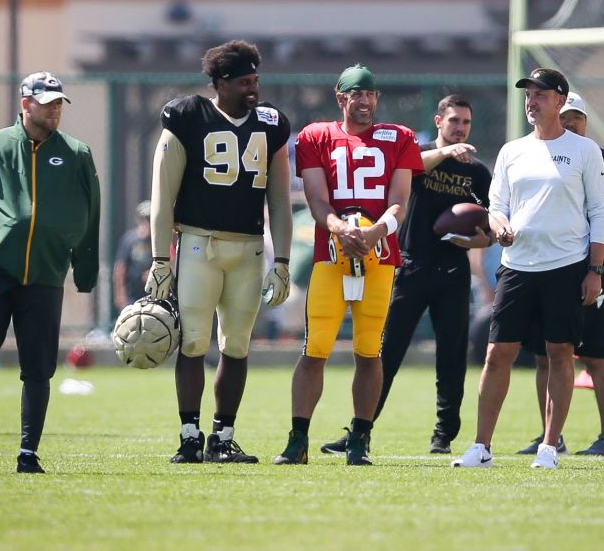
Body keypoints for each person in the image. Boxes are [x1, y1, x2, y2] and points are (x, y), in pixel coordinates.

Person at [0, 72, 101, 474]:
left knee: (38, 367)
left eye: (59, 102)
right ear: (25, 103)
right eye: (48, 102)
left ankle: (28, 454)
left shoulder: (77, 153)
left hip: (46, 274)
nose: (55, 109)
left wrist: (84, 270)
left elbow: (90, 213)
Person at [451, 68, 604, 471]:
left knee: (560, 353)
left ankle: (550, 447)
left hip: (566, 267)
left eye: (540, 95)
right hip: (517, 267)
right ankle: (481, 447)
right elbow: (498, 205)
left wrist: (595, 269)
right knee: (496, 354)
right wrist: (499, 226)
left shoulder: (584, 151)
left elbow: (598, 212)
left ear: (560, 100)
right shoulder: (511, 151)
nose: (531, 101)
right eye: (528, 95)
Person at [318, 94, 492, 456]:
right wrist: (445, 153)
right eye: (454, 121)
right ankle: (359, 433)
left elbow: (487, 227)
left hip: (452, 272)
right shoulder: (417, 152)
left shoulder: (477, 171)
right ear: (439, 120)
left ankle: (444, 435)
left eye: (466, 122)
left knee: (452, 357)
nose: (460, 128)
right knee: (386, 353)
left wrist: (477, 239)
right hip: (410, 267)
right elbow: (413, 168)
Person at [145, 40, 293, 464]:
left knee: (238, 345)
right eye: (245, 81)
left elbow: (279, 200)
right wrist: (159, 259)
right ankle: (189, 437)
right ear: (220, 83)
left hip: (247, 248)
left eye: (256, 79)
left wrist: (280, 260)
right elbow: (162, 193)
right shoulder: (188, 115)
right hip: (197, 243)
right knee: (193, 341)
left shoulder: (270, 123)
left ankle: (223, 438)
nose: (254, 88)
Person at [272, 64, 423, 466]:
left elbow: (400, 201)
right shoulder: (316, 136)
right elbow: (318, 199)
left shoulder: (399, 137)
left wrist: (377, 232)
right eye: (357, 94)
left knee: (369, 350)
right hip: (331, 255)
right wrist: (339, 227)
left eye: (371, 94)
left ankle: (360, 437)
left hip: (379, 255)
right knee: (315, 347)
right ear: (341, 98)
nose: (365, 101)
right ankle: (298, 438)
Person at [517, 92, 604, 457]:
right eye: (564, 116)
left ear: (586, 122)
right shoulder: (538, 154)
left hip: (589, 271)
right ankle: (553, 437)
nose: (569, 123)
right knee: (544, 355)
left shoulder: (600, 158)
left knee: (595, 354)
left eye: (576, 117)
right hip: (545, 268)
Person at [112, 200, 154, 320]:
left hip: (152, 297)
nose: (148, 223)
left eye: (151, 220)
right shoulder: (129, 240)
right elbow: (120, 269)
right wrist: (120, 295)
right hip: (132, 296)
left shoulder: (159, 242)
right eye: (145, 219)